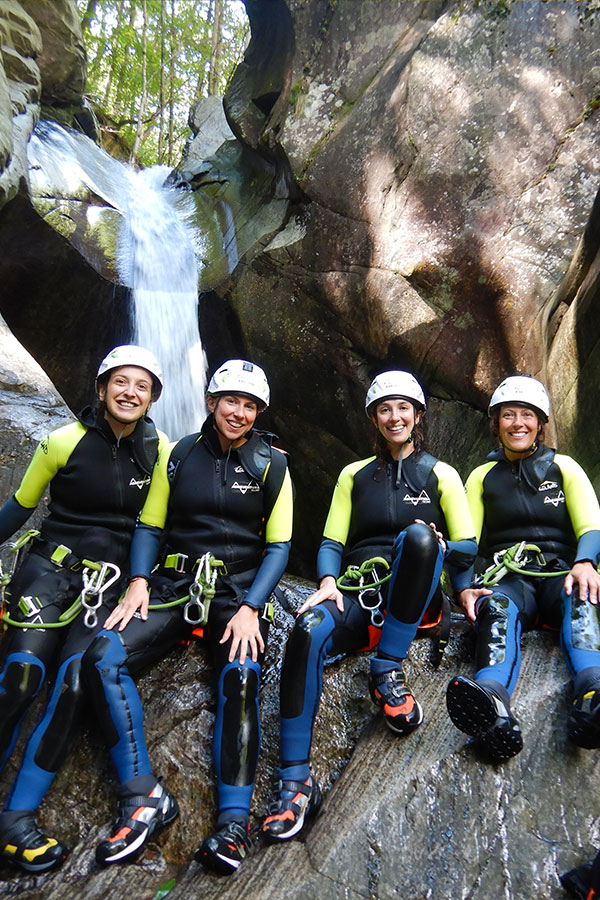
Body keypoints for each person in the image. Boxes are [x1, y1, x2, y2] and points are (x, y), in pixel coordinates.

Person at [79, 359, 293, 874]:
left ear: (258, 411)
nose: (238, 413)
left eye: (249, 405)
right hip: (176, 586)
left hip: (236, 589)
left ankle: (233, 825)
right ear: (211, 401)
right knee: (102, 656)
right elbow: (150, 526)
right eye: (230, 401)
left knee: (241, 675)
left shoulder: (273, 465)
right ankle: (142, 797)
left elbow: (280, 545)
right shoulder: (177, 455)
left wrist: (250, 608)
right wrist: (138, 581)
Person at [261, 370, 477, 843]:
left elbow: (467, 544)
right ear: (374, 420)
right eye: (384, 409)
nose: (394, 416)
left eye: (403, 408)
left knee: (421, 537)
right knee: (308, 627)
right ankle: (295, 783)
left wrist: (455, 570)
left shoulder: (440, 473)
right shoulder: (353, 476)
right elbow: (332, 541)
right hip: (361, 593)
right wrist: (326, 583)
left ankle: (387, 671)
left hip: (416, 595)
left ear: (418, 415)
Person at [0, 345, 166, 874]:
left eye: (141, 386)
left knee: (73, 683)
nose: (129, 392)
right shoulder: (62, 442)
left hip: (108, 588)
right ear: (100, 388)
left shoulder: (162, 451)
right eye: (120, 382)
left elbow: (159, 525)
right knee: (22, 676)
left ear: (152, 397)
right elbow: (18, 509)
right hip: (48, 573)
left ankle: (15, 819)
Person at [446, 375, 600, 763]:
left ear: (540, 422)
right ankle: (491, 701)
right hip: (509, 577)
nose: (518, 423)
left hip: (561, 572)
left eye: (526, 415)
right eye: (508, 415)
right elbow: (467, 543)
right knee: (495, 607)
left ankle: (593, 691)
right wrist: (464, 588)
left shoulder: (564, 467)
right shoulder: (482, 477)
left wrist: (585, 562)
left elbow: (592, 527)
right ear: (496, 423)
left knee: (581, 599)